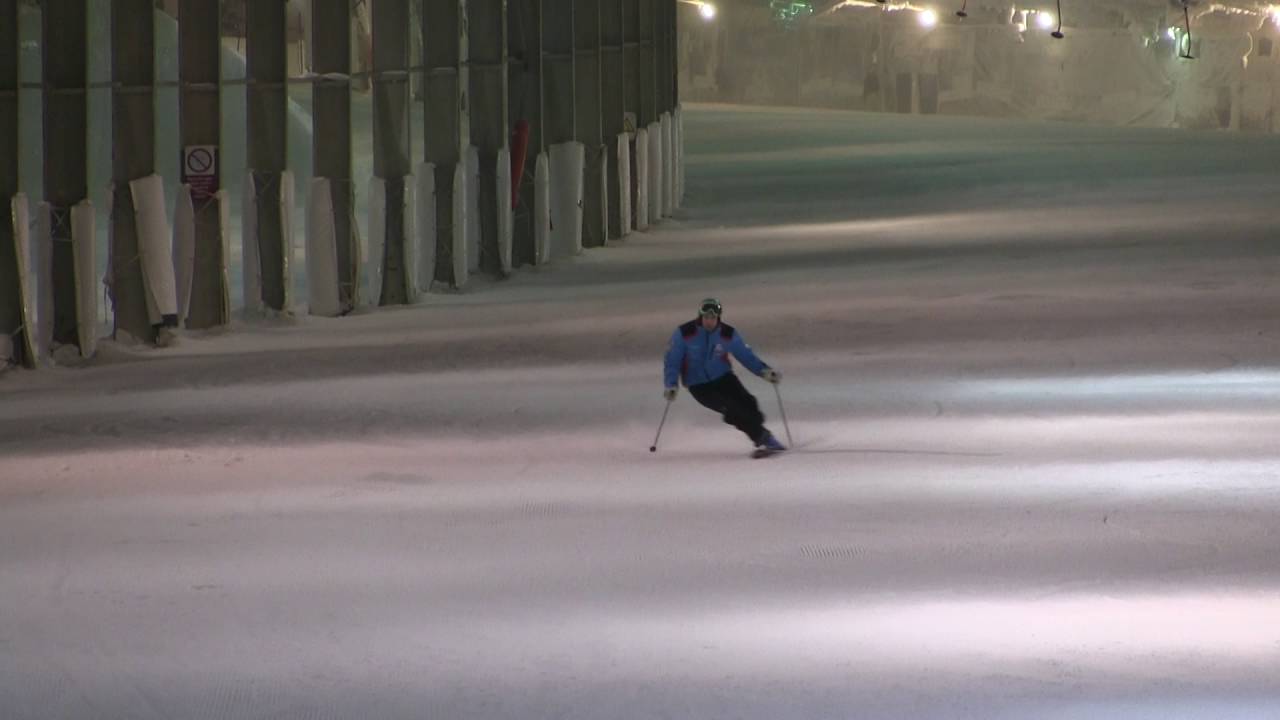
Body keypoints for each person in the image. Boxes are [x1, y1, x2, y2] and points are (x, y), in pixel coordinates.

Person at [663, 298, 786, 453]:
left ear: (718, 317)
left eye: (713, 318)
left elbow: (746, 356)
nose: (709, 321)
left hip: (724, 378)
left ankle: (759, 432)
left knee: (748, 403)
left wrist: (765, 371)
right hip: (699, 385)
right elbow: (672, 360)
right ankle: (763, 438)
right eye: (706, 317)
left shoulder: (727, 334)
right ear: (700, 317)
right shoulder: (685, 334)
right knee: (731, 409)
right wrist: (671, 384)